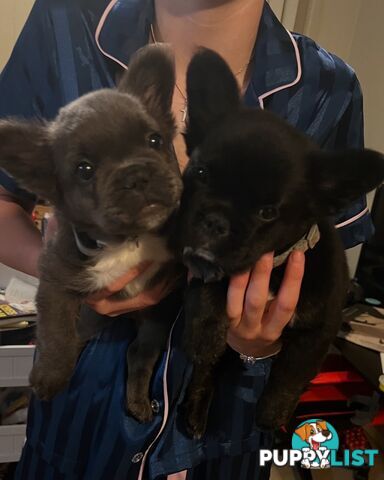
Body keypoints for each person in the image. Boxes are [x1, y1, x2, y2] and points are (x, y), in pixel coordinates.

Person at [0, 0, 372, 478]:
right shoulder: (64, 24)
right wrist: (70, 277)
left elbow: (325, 267)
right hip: (84, 416)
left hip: (223, 423)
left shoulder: (328, 89)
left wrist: (261, 342)